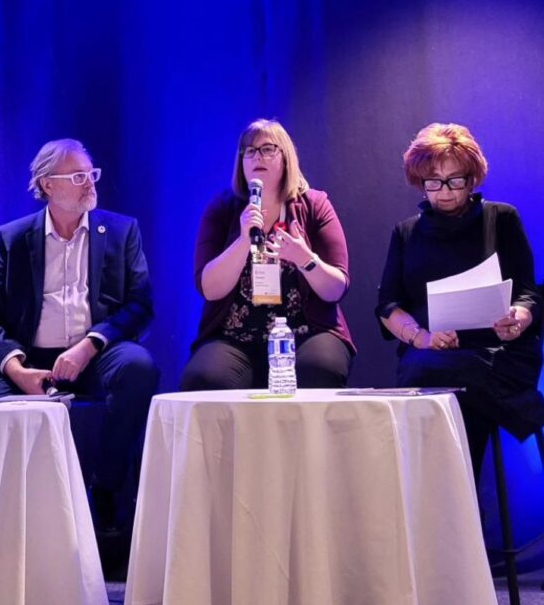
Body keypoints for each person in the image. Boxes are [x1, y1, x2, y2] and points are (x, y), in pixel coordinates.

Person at [0, 138, 159, 531]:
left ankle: (106, 489)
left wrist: (90, 345)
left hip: (94, 354)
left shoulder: (122, 231)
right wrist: (16, 367)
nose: (89, 182)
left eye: (91, 173)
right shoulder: (12, 238)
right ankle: (7, 514)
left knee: (138, 368)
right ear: (47, 185)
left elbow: (140, 304)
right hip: (30, 359)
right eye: (77, 176)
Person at [377, 122, 544, 477]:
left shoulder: (502, 219)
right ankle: (455, 495)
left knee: (457, 382)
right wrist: (422, 337)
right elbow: (388, 306)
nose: (445, 192)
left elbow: (529, 292)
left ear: (472, 179)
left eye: (455, 181)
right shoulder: (406, 233)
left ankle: (455, 497)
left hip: (498, 352)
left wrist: (518, 318)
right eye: (433, 182)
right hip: (430, 353)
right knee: (434, 373)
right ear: (420, 181)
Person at [181, 118, 354, 391]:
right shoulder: (222, 209)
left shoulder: (315, 205)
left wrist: (305, 259)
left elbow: (336, 289)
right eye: (249, 151)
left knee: (320, 368)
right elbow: (209, 289)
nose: (257, 157)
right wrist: (242, 241)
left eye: (267, 149)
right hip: (235, 336)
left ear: (286, 158)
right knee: (205, 378)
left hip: (306, 332)